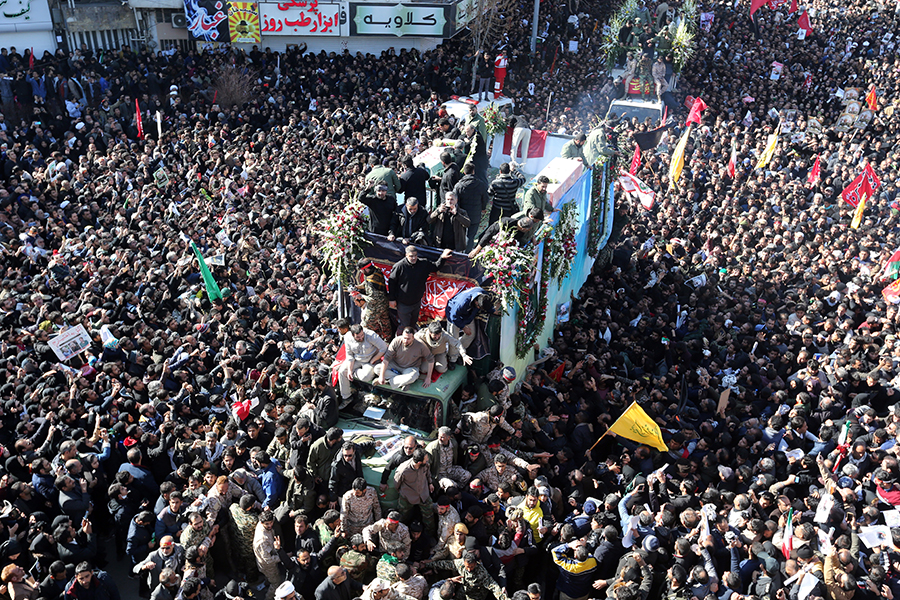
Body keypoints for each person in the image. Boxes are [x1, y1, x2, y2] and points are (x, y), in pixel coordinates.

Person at [387, 246, 452, 329]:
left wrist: (442, 257)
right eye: (411, 256)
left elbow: (435, 267)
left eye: (415, 255)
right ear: (406, 255)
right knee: (405, 326)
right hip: (403, 303)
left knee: (413, 324)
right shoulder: (399, 266)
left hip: (417, 302)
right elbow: (392, 283)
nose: (413, 258)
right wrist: (392, 299)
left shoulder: (423, 263)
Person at [337, 324, 388, 405]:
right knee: (342, 371)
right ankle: (346, 397)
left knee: (366, 376)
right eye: (358, 337)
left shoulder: (371, 335)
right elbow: (349, 355)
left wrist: (374, 359)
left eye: (362, 336)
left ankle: (354, 374)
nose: (361, 338)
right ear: (352, 335)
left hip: (370, 360)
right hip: (356, 360)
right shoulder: (347, 337)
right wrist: (350, 370)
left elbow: (384, 348)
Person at [427, 552, 508, 600]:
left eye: (471, 567)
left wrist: (503, 598)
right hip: (463, 590)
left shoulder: (482, 572)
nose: (469, 570)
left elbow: (493, 586)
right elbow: (445, 564)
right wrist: (427, 565)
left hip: (475, 596)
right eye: (467, 567)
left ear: (476, 564)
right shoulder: (460, 564)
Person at [394, 448, 436, 535]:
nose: (427, 460)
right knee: (402, 517)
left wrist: (430, 483)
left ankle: (429, 535)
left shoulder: (425, 465)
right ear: (419, 462)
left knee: (429, 517)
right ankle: (401, 534)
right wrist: (403, 493)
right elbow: (397, 483)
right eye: (425, 459)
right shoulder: (403, 470)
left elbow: (428, 474)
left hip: (424, 494)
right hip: (407, 497)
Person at [452, 164, 489, 251]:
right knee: (470, 236)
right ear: (473, 171)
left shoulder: (459, 185)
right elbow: (485, 198)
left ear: (464, 172)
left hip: (461, 214)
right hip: (475, 214)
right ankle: (467, 254)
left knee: (460, 234)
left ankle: (458, 252)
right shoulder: (481, 184)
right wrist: (483, 207)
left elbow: (454, 199)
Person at [253, 510, 282, 600]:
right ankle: (268, 598)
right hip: (268, 565)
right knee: (276, 583)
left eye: (271, 523)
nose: (270, 525)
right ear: (262, 523)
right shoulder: (262, 540)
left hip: (264, 560)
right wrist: (283, 557)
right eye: (267, 524)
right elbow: (268, 560)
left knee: (269, 579)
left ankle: (266, 583)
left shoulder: (262, 526)